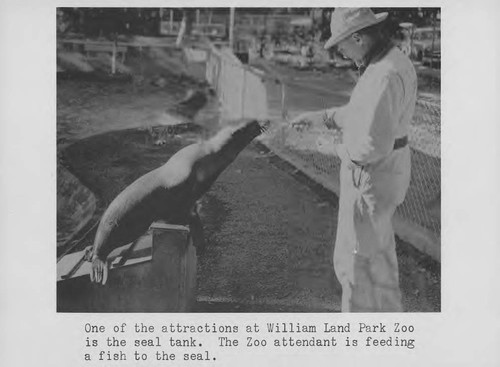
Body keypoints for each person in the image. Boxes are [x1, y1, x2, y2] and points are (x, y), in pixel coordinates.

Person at [291, 8, 417, 312]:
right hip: (386, 174)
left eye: (341, 45)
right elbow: (363, 113)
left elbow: (369, 147)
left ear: (358, 37)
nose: (341, 53)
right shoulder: (389, 62)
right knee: (380, 263)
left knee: (355, 267)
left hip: (371, 177)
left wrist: (325, 146)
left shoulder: (383, 74)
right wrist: (323, 118)